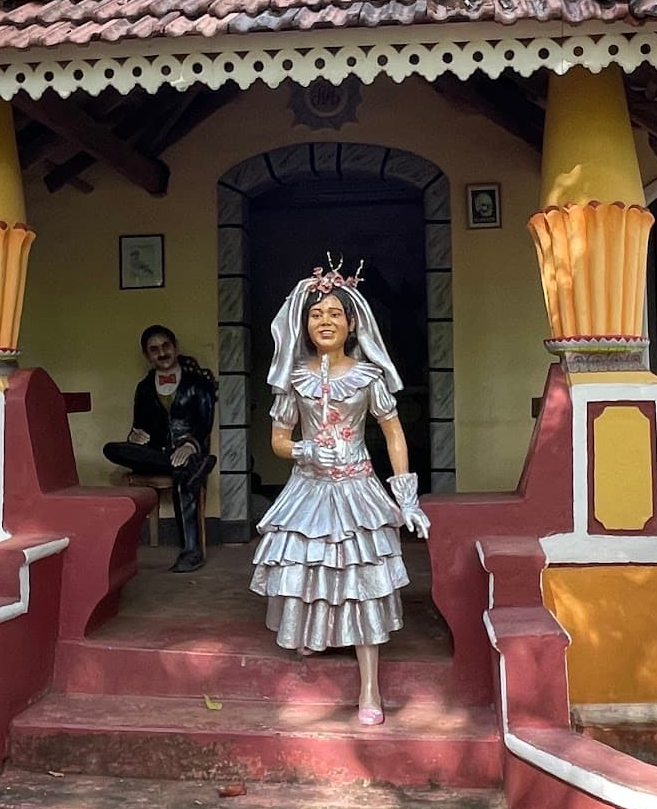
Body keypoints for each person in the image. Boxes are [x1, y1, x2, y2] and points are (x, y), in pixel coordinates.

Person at [250, 260, 430, 726]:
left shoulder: (368, 377)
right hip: (309, 487)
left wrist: (406, 495)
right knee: (310, 564)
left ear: (352, 324)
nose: (325, 321)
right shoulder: (294, 378)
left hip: (357, 487)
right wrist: (305, 450)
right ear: (304, 325)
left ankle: (370, 687)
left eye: (334, 313)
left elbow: (393, 433)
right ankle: (317, 633)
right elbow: (278, 440)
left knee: (363, 578)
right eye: (316, 314)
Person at [103, 325, 217, 572]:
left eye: (165, 346)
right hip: (156, 454)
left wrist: (189, 445)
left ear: (175, 348)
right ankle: (193, 467)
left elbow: (205, 424)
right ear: (147, 356)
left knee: (182, 477)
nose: (161, 353)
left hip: (189, 449)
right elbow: (139, 427)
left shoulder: (199, 384)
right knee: (111, 449)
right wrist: (135, 436)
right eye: (154, 350)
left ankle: (191, 553)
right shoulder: (144, 388)